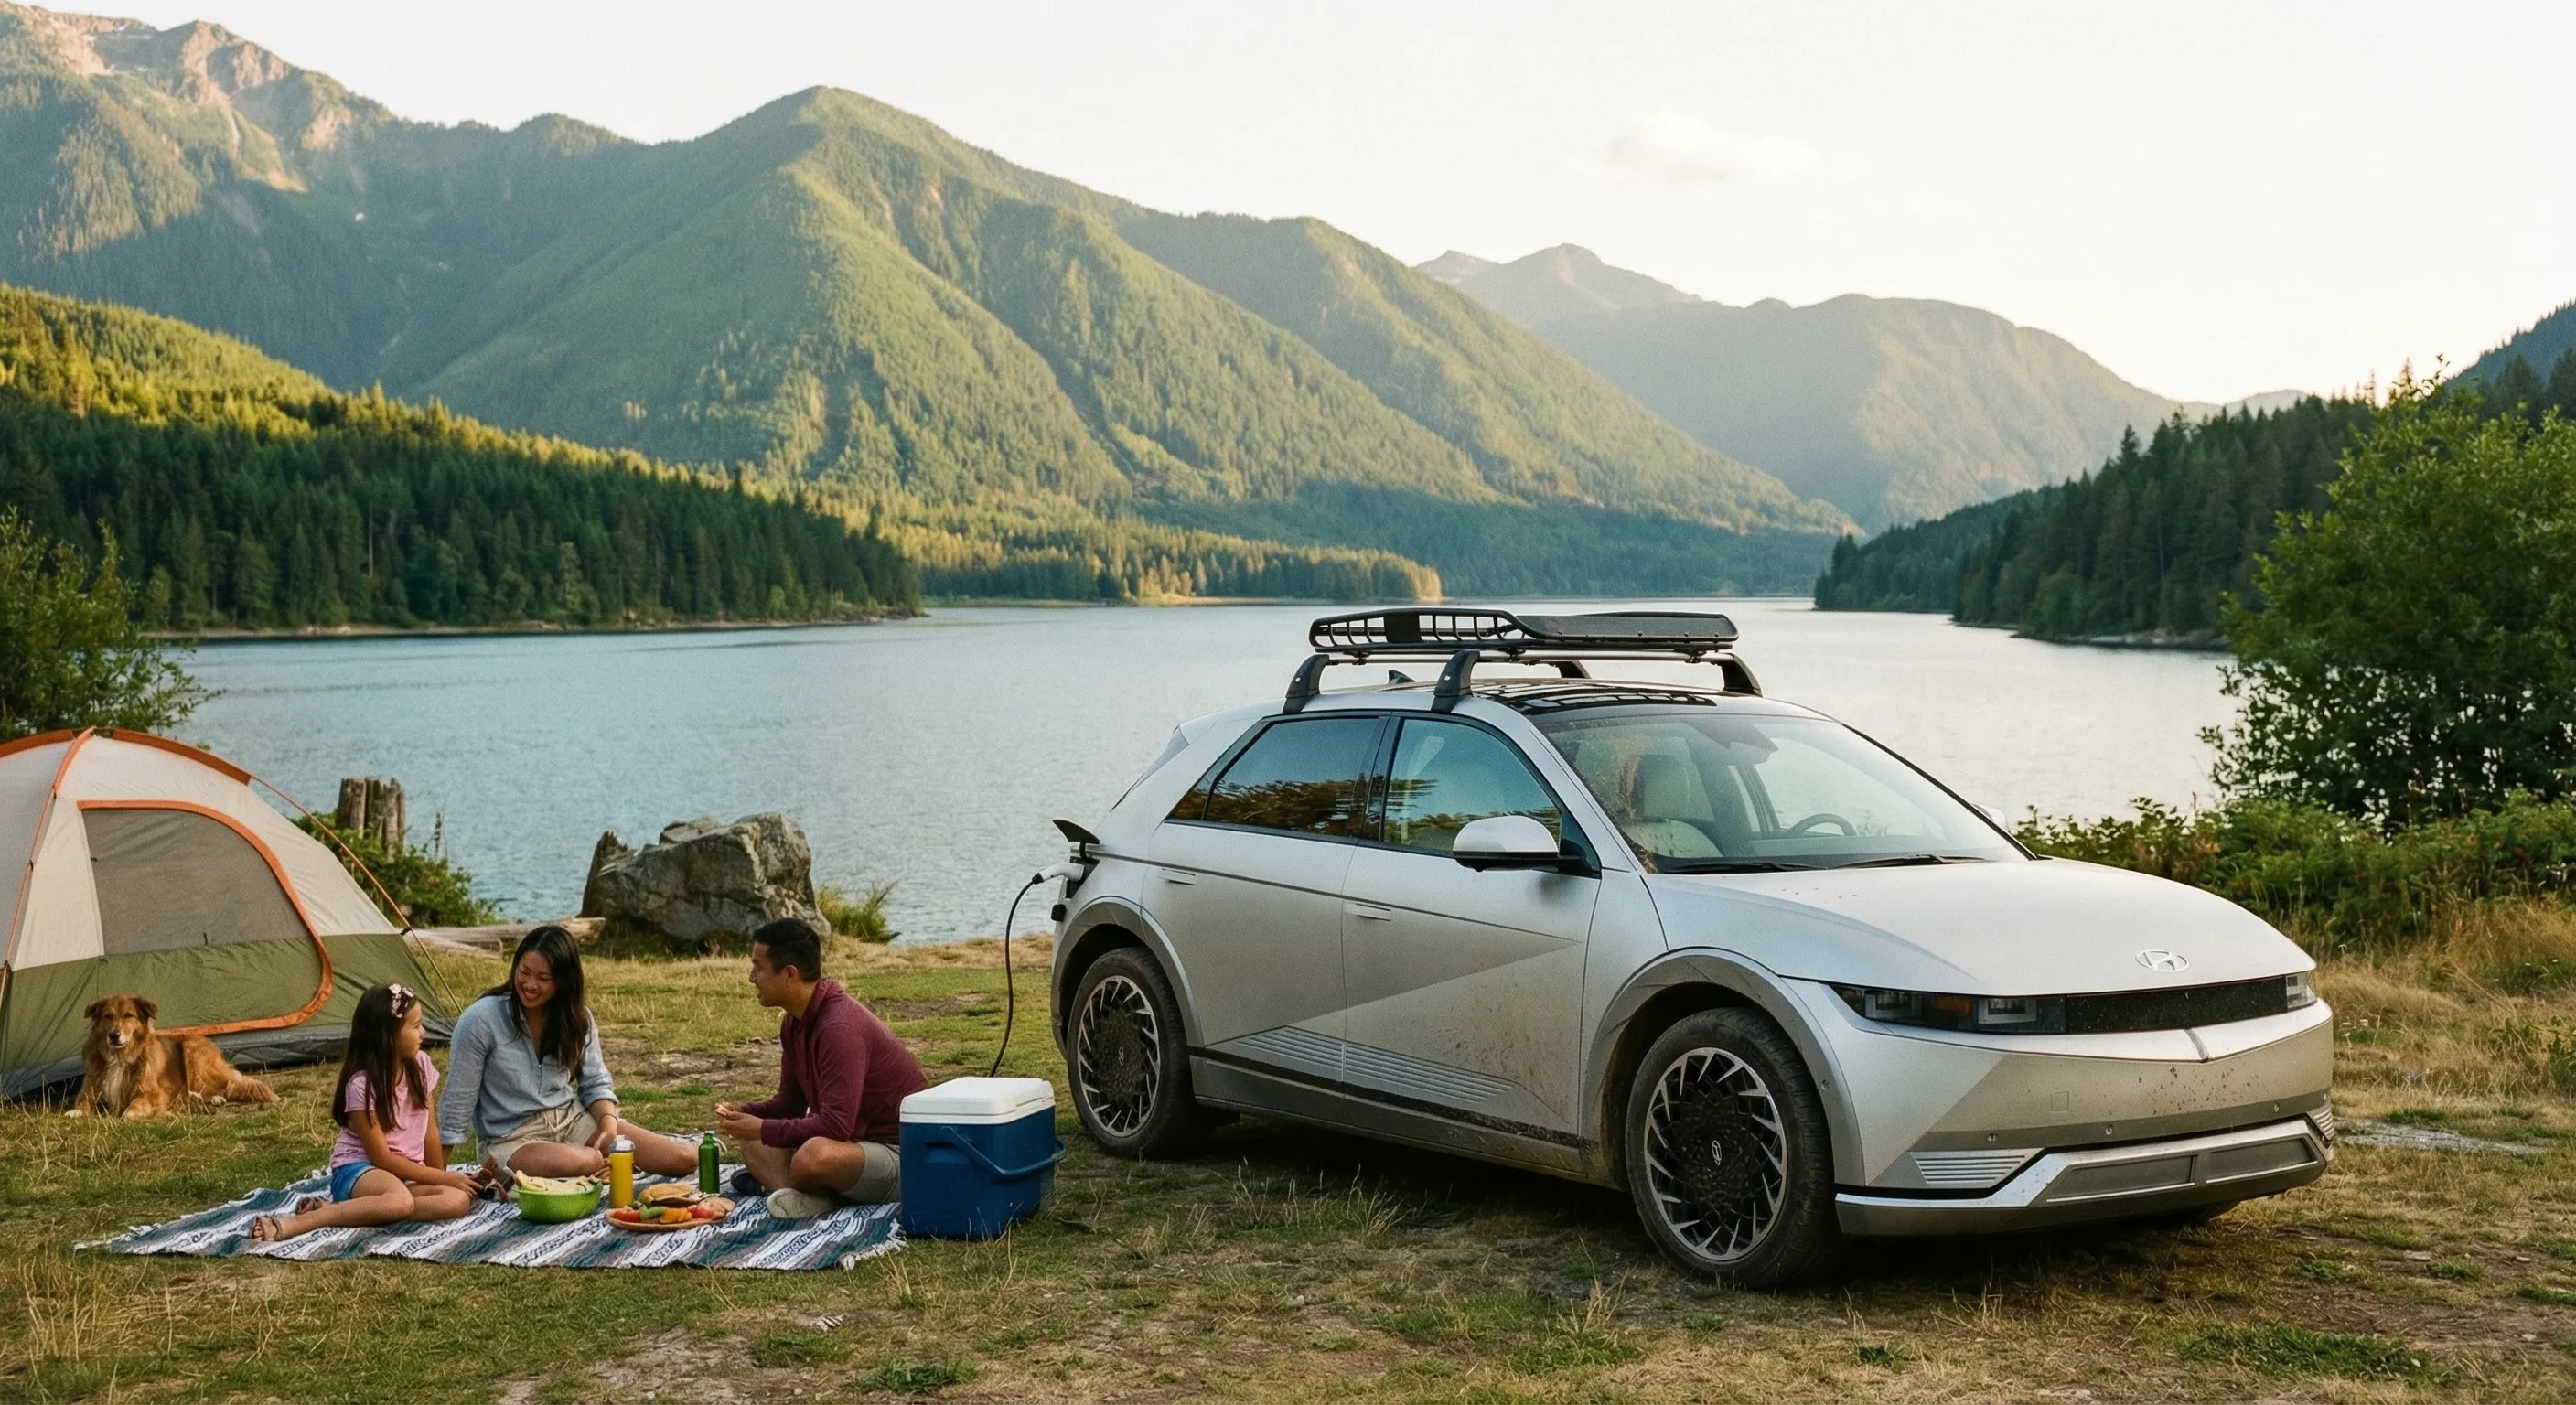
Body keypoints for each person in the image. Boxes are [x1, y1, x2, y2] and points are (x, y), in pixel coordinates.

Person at [440, 925, 697, 1180]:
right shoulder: (480, 1019)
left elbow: (595, 1083)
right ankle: (593, 1168)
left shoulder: (577, 1019)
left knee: (683, 1159)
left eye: (543, 978)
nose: (529, 984)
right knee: (588, 1160)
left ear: (563, 982)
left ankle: (593, 1167)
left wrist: (609, 1125)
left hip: (571, 1122)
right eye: (524, 972)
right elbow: (458, 1100)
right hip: (512, 1139)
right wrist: (439, 1175)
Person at [715, 917, 928, 1218]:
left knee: (812, 1155)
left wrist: (762, 1127)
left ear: (789, 973)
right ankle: (797, 1195)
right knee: (752, 1137)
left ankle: (790, 1189)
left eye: (759, 967)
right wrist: (745, 1112)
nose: (752, 978)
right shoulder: (794, 1022)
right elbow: (789, 1102)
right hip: (849, 1145)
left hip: (897, 1153)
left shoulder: (839, 1028)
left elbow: (836, 1125)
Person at [252, 983, 482, 1241]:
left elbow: (430, 1135)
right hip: (359, 1172)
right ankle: (302, 1221)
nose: (423, 1033)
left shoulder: (421, 1066)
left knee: (456, 1201)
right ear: (388, 1035)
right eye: (416, 1026)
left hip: (399, 1179)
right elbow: (382, 1159)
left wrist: (444, 1179)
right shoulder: (362, 1085)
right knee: (399, 1201)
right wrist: (443, 1178)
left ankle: (360, 1211)